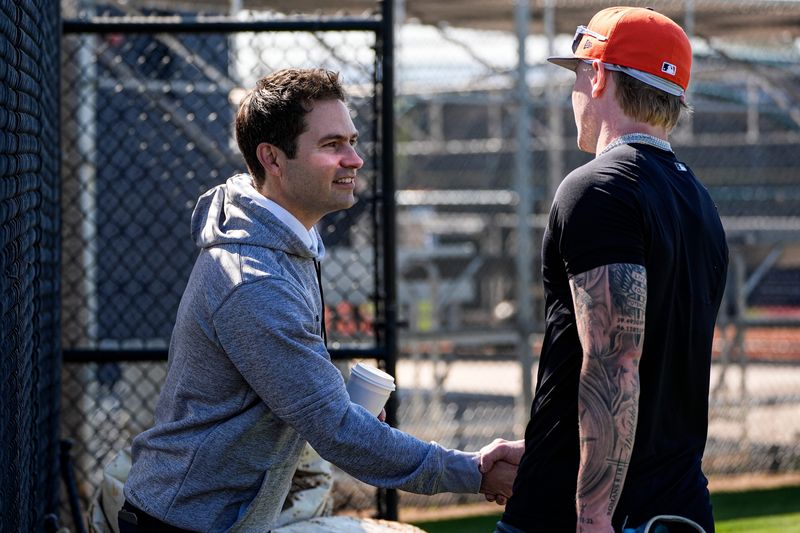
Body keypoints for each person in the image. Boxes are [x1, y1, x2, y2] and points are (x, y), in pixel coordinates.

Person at [120, 68, 517, 533]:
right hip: (182, 525)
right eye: (332, 145)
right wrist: (473, 470)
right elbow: (336, 430)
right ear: (272, 158)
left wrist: (340, 402)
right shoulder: (254, 279)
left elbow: (312, 404)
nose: (354, 159)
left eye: (351, 140)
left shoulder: (288, 242)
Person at [485, 7, 729, 532]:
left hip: (593, 517)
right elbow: (653, 377)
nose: (571, 91)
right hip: (680, 504)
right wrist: (548, 444)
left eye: (575, 73)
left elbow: (613, 366)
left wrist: (592, 516)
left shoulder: (597, 187)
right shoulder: (698, 200)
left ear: (597, 75)